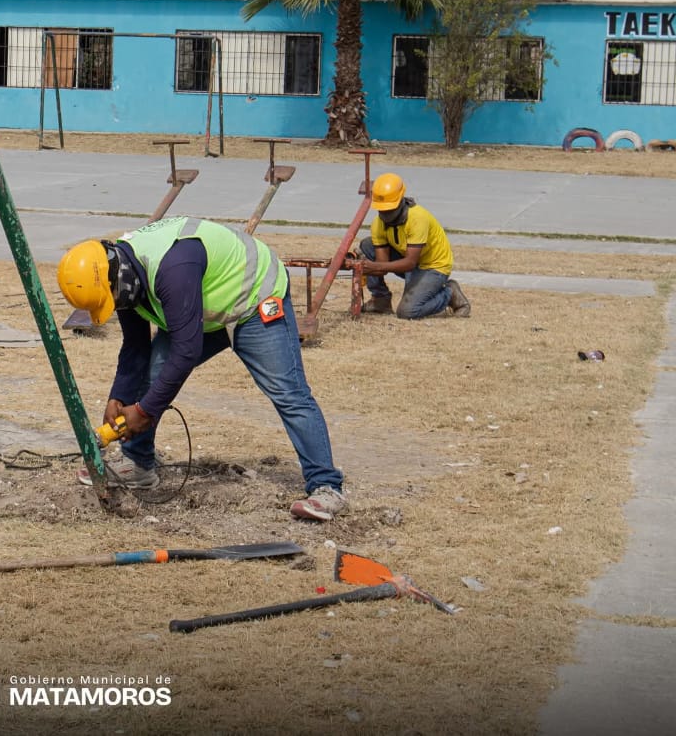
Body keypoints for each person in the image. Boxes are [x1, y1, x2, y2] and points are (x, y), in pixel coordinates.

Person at [57, 217, 347, 522]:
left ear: (119, 277)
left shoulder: (172, 268)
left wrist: (144, 411)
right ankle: (139, 464)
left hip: (254, 298)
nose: (114, 305)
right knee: (152, 372)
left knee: (289, 393)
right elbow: (136, 348)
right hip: (202, 308)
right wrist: (119, 396)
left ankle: (327, 486)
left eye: (111, 299)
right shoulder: (121, 276)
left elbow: (186, 351)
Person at [358, 172, 470, 319]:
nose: (385, 214)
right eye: (381, 209)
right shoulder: (378, 224)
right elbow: (382, 265)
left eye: (389, 209)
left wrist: (374, 267)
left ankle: (449, 294)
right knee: (367, 245)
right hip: (409, 263)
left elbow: (410, 263)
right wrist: (360, 266)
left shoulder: (417, 218)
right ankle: (381, 300)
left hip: (433, 267)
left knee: (407, 312)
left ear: (400, 201)